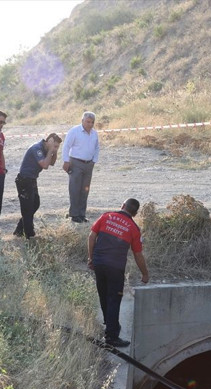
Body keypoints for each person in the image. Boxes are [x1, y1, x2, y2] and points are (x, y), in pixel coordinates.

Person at [87, 198, 149, 347]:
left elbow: (91, 237)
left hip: (99, 263)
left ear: (123, 206)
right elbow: (138, 254)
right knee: (114, 299)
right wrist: (145, 274)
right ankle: (112, 337)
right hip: (115, 268)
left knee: (104, 295)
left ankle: (110, 325)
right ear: (135, 214)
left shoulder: (106, 216)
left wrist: (91, 258)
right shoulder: (133, 228)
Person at [13, 132, 62, 238]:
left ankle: (19, 229)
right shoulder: (37, 148)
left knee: (35, 204)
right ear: (48, 141)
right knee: (27, 208)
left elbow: (51, 163)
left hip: (31, 180)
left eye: (57, 147)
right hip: (24, 180)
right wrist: (50, 150)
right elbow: (45, 165)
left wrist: (54, 151)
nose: (55, 148)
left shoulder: (46, 149)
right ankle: (29, 235)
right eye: (54, 146)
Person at [62, 111, 99, 223]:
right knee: (75, 189)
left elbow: (97, 147)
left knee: (85, 190)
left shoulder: (94, 133)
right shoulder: (74, 131)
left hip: (89, 164)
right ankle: (74, 214)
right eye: (87, 121)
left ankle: (82, 214)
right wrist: (66, 161)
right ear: (82, 121)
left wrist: (94, 161)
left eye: (92, 122)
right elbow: (66, 146)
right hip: (76, 163)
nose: (90, 124)